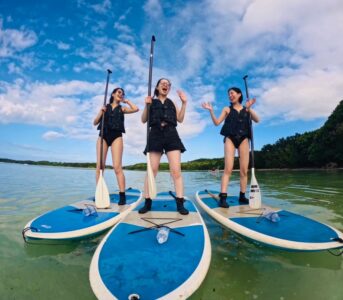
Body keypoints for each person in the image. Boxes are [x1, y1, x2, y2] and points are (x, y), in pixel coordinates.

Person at [202, 87, 259, 208]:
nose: (230, 95)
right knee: (228, 168)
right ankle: (223, 197)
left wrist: (249, 108)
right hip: (230, 138)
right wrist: (211, 111)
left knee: (244, 170)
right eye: (229, 94)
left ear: (239, 95)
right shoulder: (227, 109)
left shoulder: (247, 110)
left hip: (243, 139)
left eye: (232, 93)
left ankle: (242, 196)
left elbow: (257, 120)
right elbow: (217, 123)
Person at [139, 78, 189, 215]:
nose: (165, 85)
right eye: (163, 83)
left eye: (168, 84)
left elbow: (180, 119)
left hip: (171, 134)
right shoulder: (151, 101)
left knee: (176, 171)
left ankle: (180, 203)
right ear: (157, 87)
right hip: (155, 134)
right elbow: (143, 120)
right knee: (152, 170)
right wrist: (146, 105)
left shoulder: (172, 102)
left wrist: (184, 103)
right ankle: (147, 202)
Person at [93, 87, 139, 205]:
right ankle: (100, 192)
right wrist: (101, 111)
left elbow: (136, 109)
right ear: (113, 94)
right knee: (100, 166)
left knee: (117, 166)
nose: (121, 94)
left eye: (122, 94)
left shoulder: (122, 108)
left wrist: (127, 101)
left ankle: (122, 196)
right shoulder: (105, 107)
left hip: (116, 136)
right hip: (103, 136)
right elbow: (95, 122)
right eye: (119, 92)